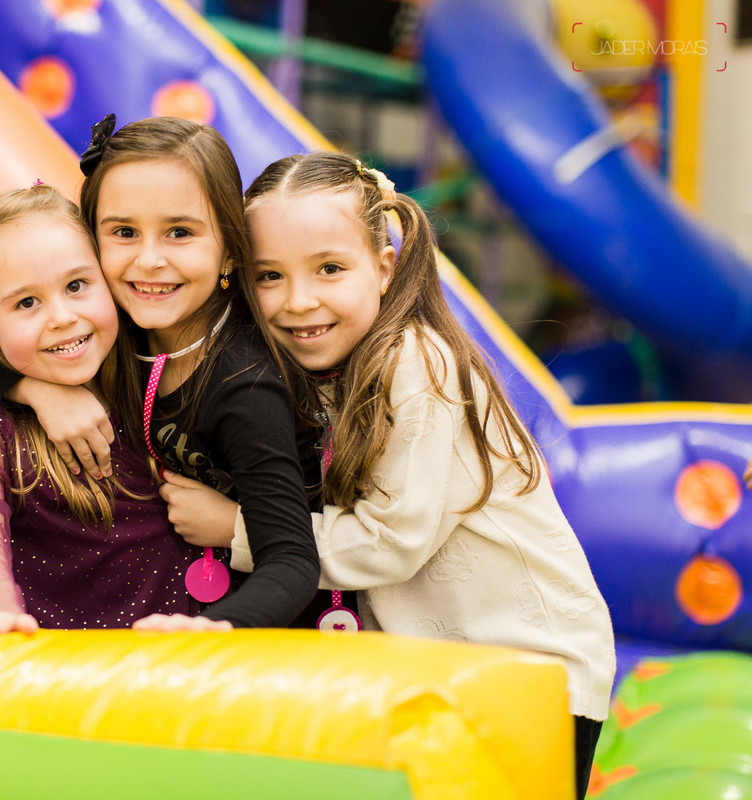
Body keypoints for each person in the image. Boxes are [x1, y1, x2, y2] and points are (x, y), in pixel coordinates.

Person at [161, 152, 615, 799]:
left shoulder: (418, 366)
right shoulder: (312, 372)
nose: (298, 301)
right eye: (270, 276)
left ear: (384, 267)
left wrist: (235, 528)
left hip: (532, 671)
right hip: (445, 674)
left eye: (329, 269)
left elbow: (392, 542)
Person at [0, 116, 321, 632]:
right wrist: (42, 393)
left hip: (263, 625)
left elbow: (293, 558)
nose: (148, 260)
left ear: (231, 247)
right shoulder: (122, 326)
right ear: (94, 246)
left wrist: (220, 629)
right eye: (123, 233)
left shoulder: (243, 387)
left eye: (180, 233)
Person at [0, 184, 199, 646]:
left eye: (77, 286)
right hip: (68, 672)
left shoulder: (146, 370)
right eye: (27, 302)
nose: (62, 316)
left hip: (196, 649)